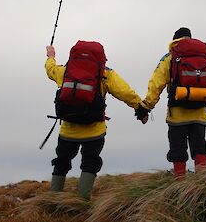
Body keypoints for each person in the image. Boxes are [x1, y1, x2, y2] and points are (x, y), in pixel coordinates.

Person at [45, 41, 147, 200]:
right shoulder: (106, 73)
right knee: (90, 163)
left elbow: (50, 70)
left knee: (61, 162)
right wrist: (140, 109)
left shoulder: (65, 71)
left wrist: (51, 56)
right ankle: (83, 200)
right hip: (94, 131)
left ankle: (52, 199)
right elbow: (124, 92)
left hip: (68, 130)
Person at [140, 27, 206, 177]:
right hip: (200, 113)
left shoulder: (169, 57)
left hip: (177, 114)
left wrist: (146, 107)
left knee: (178, 149)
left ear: (174, 39)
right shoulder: (203, 57)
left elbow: (156, 84)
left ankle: (180, 184)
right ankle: (202, 183)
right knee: (200, 146)